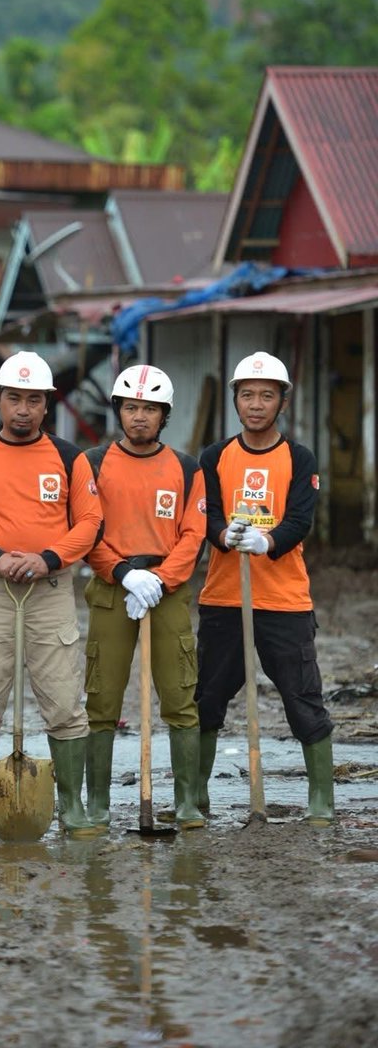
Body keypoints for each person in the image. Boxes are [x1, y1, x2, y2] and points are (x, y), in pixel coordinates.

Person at [0, 350, 103, 838]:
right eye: (14, 398)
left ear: (47, 404)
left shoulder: (70, 457)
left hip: (51, 590)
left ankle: (71, 806)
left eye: (34, 400)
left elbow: (90, 522)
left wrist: (49, 557)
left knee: (63, 699)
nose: (24, 409)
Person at [196, 351, 334, 825]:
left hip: (284, 599)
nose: (256, 404)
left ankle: (321, 799)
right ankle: (197, 796)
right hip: (223, 597)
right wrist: (223, 535)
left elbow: (301, 519)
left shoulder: (299, 458)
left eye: (266, 396)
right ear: (235, 398)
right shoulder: (214, 457)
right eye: (248, 394)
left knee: (303, 698)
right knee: (208, 698)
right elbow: (206, 514)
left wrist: (266, 539)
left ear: (282, 402)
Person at [83, 365, 207, 831]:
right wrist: (123, 574)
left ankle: (188, 801)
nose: (140, 417)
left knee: (179, 696)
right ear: (119, 411)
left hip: (168, 592)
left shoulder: (186, 467)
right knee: (102, 698)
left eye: (149, 409)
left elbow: (194, 534)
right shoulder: (93, 463)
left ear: (164, 415)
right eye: (132, 407)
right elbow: (86, 530)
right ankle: (96, 803)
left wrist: (161, 579)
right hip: (113, 589)